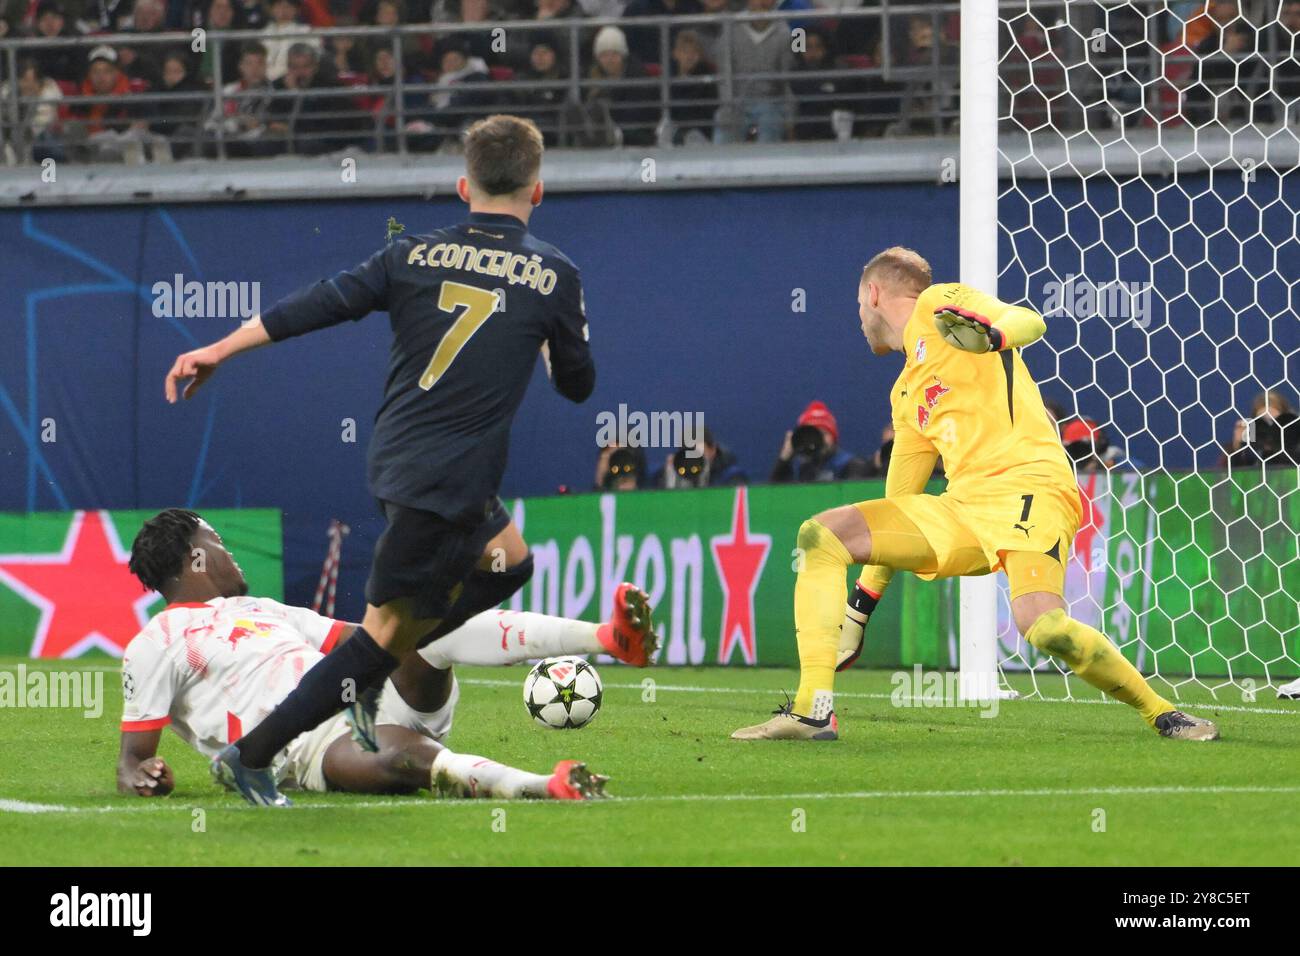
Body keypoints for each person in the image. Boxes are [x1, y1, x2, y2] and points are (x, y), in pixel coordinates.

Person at [163, 115, 596, 806]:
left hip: (399, 459)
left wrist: (220, 347)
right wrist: (552, 343)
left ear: (464, 186)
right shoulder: (553, 273)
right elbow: (579, 386)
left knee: (510, 560)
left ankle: (363, 680)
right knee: (384, 635)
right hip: (448, 477)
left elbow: (320, 304)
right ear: (538, 191)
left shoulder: (412, 254)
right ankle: (254, 755)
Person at [732, 246, 1220, 742]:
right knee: (823, 534)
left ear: (874, 294)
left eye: (859, 305)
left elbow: (1027, 321)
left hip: (1031, 487)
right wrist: (861, 606)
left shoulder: (939, 304)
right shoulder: (905, 394)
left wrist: (994, 336)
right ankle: (813, 711)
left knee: (1044, 627)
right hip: (964, 508)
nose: (859, 320)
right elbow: (899, 500)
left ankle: (1162, 712)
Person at [117, 510, 657, 801]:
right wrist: (146, 775)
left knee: (422, 625)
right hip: (305, 745)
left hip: (368, 699)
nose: (229, 553)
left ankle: (608, 638)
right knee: (402, 761)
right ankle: (543, 786)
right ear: (195, 558)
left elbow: (370, 639)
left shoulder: (264, 608)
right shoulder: (155, 643)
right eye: (218, 543)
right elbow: (131, 760)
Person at [770, 400, 873, 482]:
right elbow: (776, 499)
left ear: (833, 437)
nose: (819, 440)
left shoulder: (853, 466)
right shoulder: (802, 469)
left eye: (824, 433)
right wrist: (784, 459)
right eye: (812, 435)